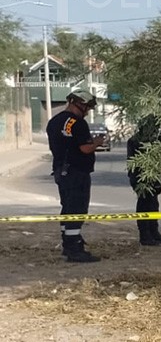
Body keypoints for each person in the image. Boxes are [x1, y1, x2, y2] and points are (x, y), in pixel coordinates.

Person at [47, 89, 104, 263]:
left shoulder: (54, 121)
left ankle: (68, 242)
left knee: (67, 207)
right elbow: (85, 148)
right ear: (74, 103)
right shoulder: (78, 123)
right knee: (77, 209)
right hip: (77, 172)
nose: (87, 111)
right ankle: (74, 248)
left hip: (61, 170)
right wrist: (98, 142)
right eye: (85, 107)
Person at [127, 117, 161, 246]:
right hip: (140, 177)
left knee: (153, 204)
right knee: (144, 204)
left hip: (152, 176)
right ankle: (145, 235)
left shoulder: (152, 139)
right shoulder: (136, 140)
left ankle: (153, 231)